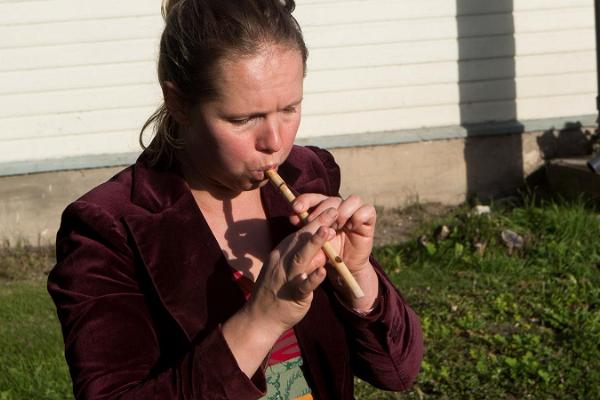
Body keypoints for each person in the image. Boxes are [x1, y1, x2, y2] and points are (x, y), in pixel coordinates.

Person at [47, 0, 424, 399]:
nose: (275, 143)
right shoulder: (109, 226)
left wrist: (358, 274)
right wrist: (261, 320)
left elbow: (397, 371)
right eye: (243, 119)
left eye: (289, 109)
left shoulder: (309, 174)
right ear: (178, 102)